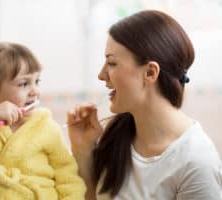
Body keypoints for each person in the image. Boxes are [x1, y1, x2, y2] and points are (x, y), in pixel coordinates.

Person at [67, 10, 222, 200]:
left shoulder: (196, 162)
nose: (101, 74)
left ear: (150, 73)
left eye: (112, 63)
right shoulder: (116, 137)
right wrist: (83, 150)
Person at [0, 42, 86, 200]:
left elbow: (68, 177)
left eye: (37, 81)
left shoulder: (46, 127)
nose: (34, 91)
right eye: (24, 84)